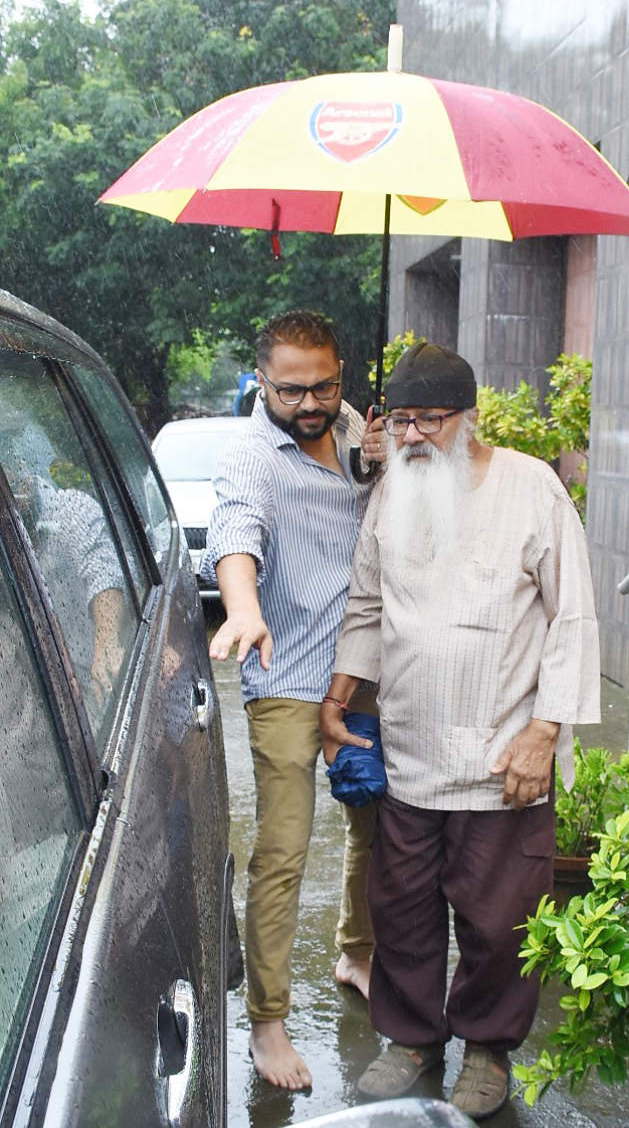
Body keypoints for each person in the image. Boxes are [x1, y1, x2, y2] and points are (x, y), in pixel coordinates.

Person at [320, 343, 600, 1119]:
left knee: (497, 916)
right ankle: (411, 1040)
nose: (410, 436)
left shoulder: (531, 487)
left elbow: (572, 616)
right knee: (401, 904)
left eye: (429, 421)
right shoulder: (393, 493)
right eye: (400, 419)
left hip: (501, 753)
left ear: (467, 419)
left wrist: (545, 732)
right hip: (408, 746)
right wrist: (341, 693)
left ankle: (486, 1048)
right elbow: (369, 605)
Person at [203, 309, 385, 1090]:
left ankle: (357, 953)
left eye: (325, 386)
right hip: (285, 675)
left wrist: (378, 464)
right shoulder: (252, 455)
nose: (311, 405)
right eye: (291, 391)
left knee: (376, 823)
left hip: (362, 667)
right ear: (262, 380)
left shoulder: (350, 427)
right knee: (281, 854)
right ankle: (268, 1025)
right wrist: (241, 606)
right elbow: (235, 531)